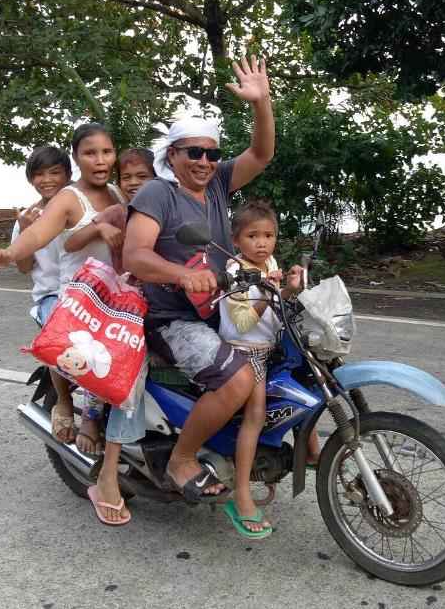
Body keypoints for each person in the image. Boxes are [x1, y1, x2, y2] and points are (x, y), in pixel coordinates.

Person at [123, 55, 274, 502]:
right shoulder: (158, 192)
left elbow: (262, 153)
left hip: (220, 308)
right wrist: (179, 276)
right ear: (172, 156)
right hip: (170, 318)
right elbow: (135, 255)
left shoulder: (216, 185)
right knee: (238, 379)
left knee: (285, 352)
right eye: (194, 152)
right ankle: (182, 458)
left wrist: (261, 103)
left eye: (211, 152)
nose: (205, 160)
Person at [0, 123, 124, 459]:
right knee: (85, 354)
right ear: (78, 158)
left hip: (117, 295)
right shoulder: (65, 199)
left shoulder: (120, 192)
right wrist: (12, 250)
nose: (100, 159)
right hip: (75, 299)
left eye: (106, 151)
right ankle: (79, 412)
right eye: (91, 153)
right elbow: (38, 237)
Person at [65, 147, 156, 526]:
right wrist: (98, 228)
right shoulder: (120, 212)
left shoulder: (169, 207)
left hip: (164, 302)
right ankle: (107, 472)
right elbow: (70, 242)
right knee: (126, 369)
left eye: (142, 176)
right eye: (127, 177)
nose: (134, 184)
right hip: (123, 307)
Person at [217, 201, 303, 538]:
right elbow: (240, 323)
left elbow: (278, 301)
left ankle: (309, 451)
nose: (262, 243)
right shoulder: (234, 270)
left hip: (271, 346)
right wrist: (268, 294)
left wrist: (289, 290)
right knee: (254, 415)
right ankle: (240, 494)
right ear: (237, 240)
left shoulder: (268, 262)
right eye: (253, 235)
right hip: (244, 351)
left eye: (268, 235)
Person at [11, 146, 72, 326]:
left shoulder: (83, 208)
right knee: (62, 346)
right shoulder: (27, 217)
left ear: (67, 175)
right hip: (51, 296)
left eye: (54, 173)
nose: (47, 180)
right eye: (39, 174)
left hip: (87, 293)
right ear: (31, 179)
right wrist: (25, 231)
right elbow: (24, 268)